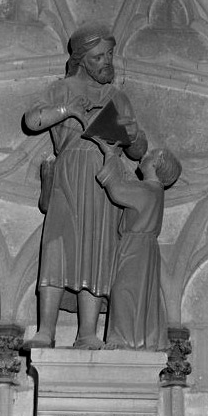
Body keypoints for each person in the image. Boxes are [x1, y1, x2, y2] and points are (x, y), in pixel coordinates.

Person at [22, 22, 148, 350]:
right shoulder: (62, 88)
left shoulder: (116, 96)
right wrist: (68, 111)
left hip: (105, 176)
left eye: (109, 54)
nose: (106, 61)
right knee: (57, 246)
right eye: (97, 57)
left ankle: (88, 333)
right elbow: (31, 120)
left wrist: (132, 134)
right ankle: (45, 330)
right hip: (69, 171)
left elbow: (137, 151)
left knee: (97, 246)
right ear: (81, 60)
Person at [94, 137, 182, 351]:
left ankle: (122, 339)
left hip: (136, 247)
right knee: (136, 292)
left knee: (124, 291)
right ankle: (140, 337)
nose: (144, 155)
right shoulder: (154, 191)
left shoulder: (147, 190)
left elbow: (117, 190)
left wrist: (110, 154)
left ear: (156, 163)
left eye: (150, 155)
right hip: (143, 247)